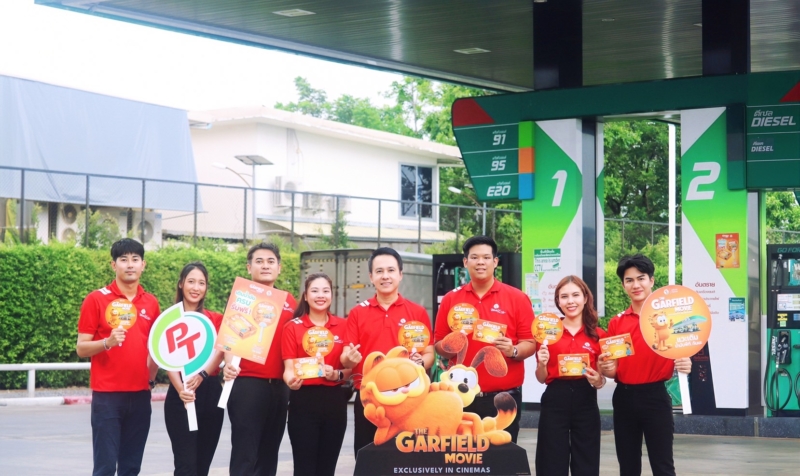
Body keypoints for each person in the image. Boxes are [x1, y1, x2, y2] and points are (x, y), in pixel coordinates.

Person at [433, 235, 536, 443]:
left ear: (495, 262)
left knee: (502, 457)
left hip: (503, 398)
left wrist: (513, 350)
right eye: (474, 257)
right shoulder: (451, 299)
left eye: (486, 257)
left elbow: (530, 343)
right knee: (462, 457)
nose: (480, 262)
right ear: (465, 262)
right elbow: (437, 345)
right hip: (460, 396)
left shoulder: (517, 298)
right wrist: (450, 344)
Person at [598, 254, 692, 476]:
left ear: (651, 280)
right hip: (624, 397)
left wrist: (686, 361)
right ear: (623, 285)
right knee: (628, 466)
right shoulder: (617, 322)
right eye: (629, 280)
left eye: (641, 278)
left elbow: (685, 347)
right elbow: (611, 368)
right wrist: (605, 368)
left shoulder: (669, 319)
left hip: (655, 397)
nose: (636, 285)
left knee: (663, 465)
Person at [76, 238, 161, 476]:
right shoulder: (96, 299)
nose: (130, 265)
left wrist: (151, 380)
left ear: (143, 265)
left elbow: (156, 348)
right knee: (105, 467)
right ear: (114, 265)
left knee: (131, 467)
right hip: (107, 397)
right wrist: (107, 342)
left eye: (135, 259)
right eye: (123, 259)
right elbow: (81, 348)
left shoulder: (151, 303)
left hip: (140, 396)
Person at [341, 247, 434, 457]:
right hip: (369, 399)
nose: (385, 276)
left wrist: (421, 362)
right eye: (379, 271)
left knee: (406, 460)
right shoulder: (357, 313)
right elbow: (346, 357)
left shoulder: (417, 312)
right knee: (367, 457)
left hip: (408, 398)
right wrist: (349, 358)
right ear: (371, 277)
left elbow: (429, 352)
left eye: (391, 270)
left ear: (400, 274)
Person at [222, 243, 297, 476]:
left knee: (269, 453)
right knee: (245, 453)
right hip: (248, 384)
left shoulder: (290, 301)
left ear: (279, 268)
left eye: (271, 261)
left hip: (280, 387)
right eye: (259, 261)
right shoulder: (242, 297)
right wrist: (229, 365)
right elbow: (230, 337)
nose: (265, 266)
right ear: (249, 267)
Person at [534, 275, 607, 476]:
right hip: (555, 398)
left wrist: (598, 380)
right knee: (551, 459)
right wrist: (542, 363)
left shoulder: (598, 335)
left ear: (585, 298)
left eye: (575, 295)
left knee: (587, 458)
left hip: (586, 399)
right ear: (558, 301)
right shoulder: (547, 334)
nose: (570, 301)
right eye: (564, 297)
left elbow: (601, 379)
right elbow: (541, 377)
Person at [282, 273, 351, 476]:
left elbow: (349, 370)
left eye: (325, 291)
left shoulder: (344, 326)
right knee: (304, 468)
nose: (320, 295)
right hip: (303, 401)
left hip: (335, 402)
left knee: (327, 468)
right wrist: (291, 382)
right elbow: (288, 370)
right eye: (314, 291)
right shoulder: (292, 327)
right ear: (305, 296)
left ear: (331, 295)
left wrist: (336, 374)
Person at [164, 262, 225, 476]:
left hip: (210, 392)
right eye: (191, 281)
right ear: (181, 284)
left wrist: (202, 375)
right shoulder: (169, 319)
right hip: (180, 394)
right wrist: (181, 389)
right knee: (185, 465)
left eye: (201, 283)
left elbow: (221, 351)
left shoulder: (215, 319)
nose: (196, 288)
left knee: (202, 465)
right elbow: (166, 357)